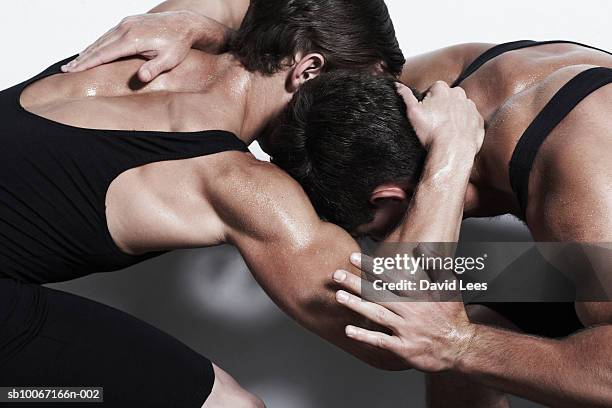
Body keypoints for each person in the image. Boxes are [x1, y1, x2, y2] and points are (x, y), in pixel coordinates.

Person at [64, 4, 612, 406]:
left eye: (371, 228)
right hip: (578, 245)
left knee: (446, 326)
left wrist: (459, 345)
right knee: (446, 294)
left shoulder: (581, 177)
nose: (379, 247)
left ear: (389, 196)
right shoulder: (390, 94)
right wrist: (205, 27)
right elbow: (303, 44)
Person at [0, 0, 484, 406]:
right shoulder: (236, 184)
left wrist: (205, 26)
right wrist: (453, 151)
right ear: (308, 69)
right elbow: (398, 329)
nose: (351, 115)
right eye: (344, 89)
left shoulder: (144, 51)